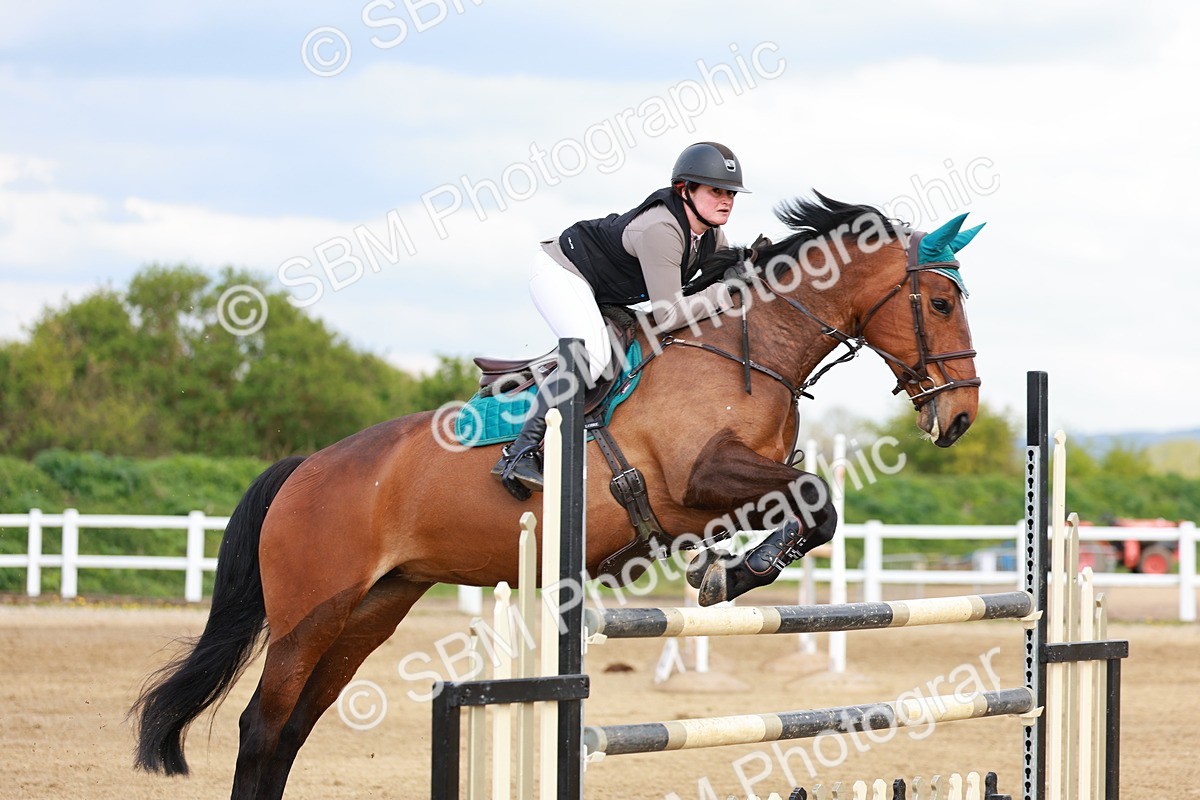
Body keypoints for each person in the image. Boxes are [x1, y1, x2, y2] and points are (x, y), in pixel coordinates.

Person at [491, 141, 749, 499]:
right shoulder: (662, 229)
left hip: (602, 289)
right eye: (716, 191)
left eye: (731, 193)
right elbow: (668, 314)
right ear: (684, 190)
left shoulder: (710, 235)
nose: (726, 200)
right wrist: (729, 292)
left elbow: (727, 277)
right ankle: (519, 452)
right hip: (560, 272)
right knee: (593, 357)